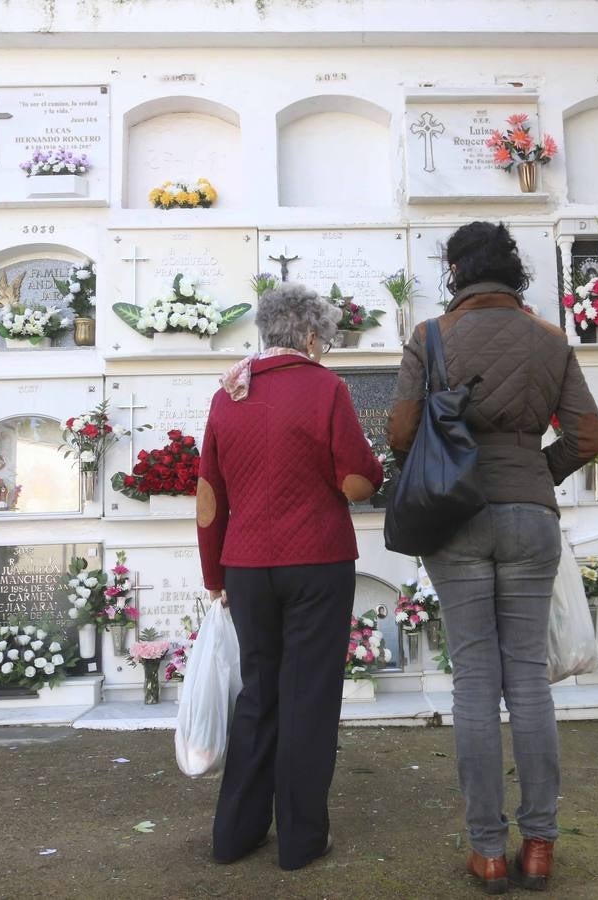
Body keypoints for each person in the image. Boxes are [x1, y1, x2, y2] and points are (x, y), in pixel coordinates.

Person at [388, 221, 598, 894]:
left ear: (454, 272)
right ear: (515, 273)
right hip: (530, 517)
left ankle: (486, 851)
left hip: (456, 522)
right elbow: (589, 435)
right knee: (530, 683)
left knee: (475, 684)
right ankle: (539, 845)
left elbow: (399, 434)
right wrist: (537, 469)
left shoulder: (430, 337)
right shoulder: (550, 339)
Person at [197, 282, 383, 871]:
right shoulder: (325, 387)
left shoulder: (229, 392)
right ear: (308, 336)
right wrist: (371, 472)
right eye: (324, 339)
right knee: (309, 699)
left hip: (247, 566)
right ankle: (302, 841)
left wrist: (213, 573)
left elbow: (209, 494)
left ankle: (235, 835)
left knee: (258, 694)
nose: (325, 349)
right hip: (316, 561)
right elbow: (356, 480)